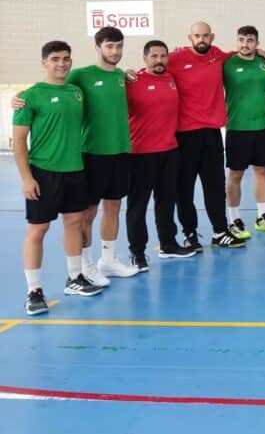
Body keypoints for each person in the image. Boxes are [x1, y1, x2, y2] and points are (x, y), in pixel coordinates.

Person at [14, 41, 102, 315]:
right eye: (55, 59)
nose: (62, 64)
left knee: (74, 224)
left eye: (66, 59)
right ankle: (33, 290)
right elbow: (19, 141)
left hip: (75, 169)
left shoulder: (77, 92)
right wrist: (26, 178)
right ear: (44, 62)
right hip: (43, 172)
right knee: (38, 230)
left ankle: (74, 278)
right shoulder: (30, 96)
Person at [60, 27, 138, 283]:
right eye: (109, 46)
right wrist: (22, 97)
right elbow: (54, 87)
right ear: (98, 47)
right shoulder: (81, 75)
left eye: (119, 46)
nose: (115, 51)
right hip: (92, 153)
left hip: (121, 151)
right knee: (88, 213)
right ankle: (86, 266)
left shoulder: (120, 76)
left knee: (114, 206)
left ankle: (108, 260)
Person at [167, 21, 246, 249]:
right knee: (185, 188)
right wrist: (131, 74)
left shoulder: (217, 55)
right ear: (190, 37)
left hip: (212, 133)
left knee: (215, 185)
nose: (201, 39)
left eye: (205, 36)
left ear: (212, 37)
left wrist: (258, 51)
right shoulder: (175, 58)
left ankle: (220, 232)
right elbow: (154, 67)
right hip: (185, 134)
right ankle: (190, 233)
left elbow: (236, 54)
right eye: (197, 36)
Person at [125, 40, 196, 269]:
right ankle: (137, 252)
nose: (159, 60)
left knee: (166, 202)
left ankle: (168, 244)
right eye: (154, 56)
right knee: (138, 205)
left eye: (163, 56)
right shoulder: (132, 81)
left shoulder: (171, 78)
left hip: (169, 151)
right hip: (140, 154)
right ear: (145, 58)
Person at [223, 26, 265, 237]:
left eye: (250, 40)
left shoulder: (264, 64)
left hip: (263, 126)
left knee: (262, 171)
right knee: (235, 174)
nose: (245, 44)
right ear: (236, 41)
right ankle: (234, 219)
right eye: (241, 40)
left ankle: (262, 216)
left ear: (257, 43)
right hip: (237, 127)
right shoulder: (227, 64)